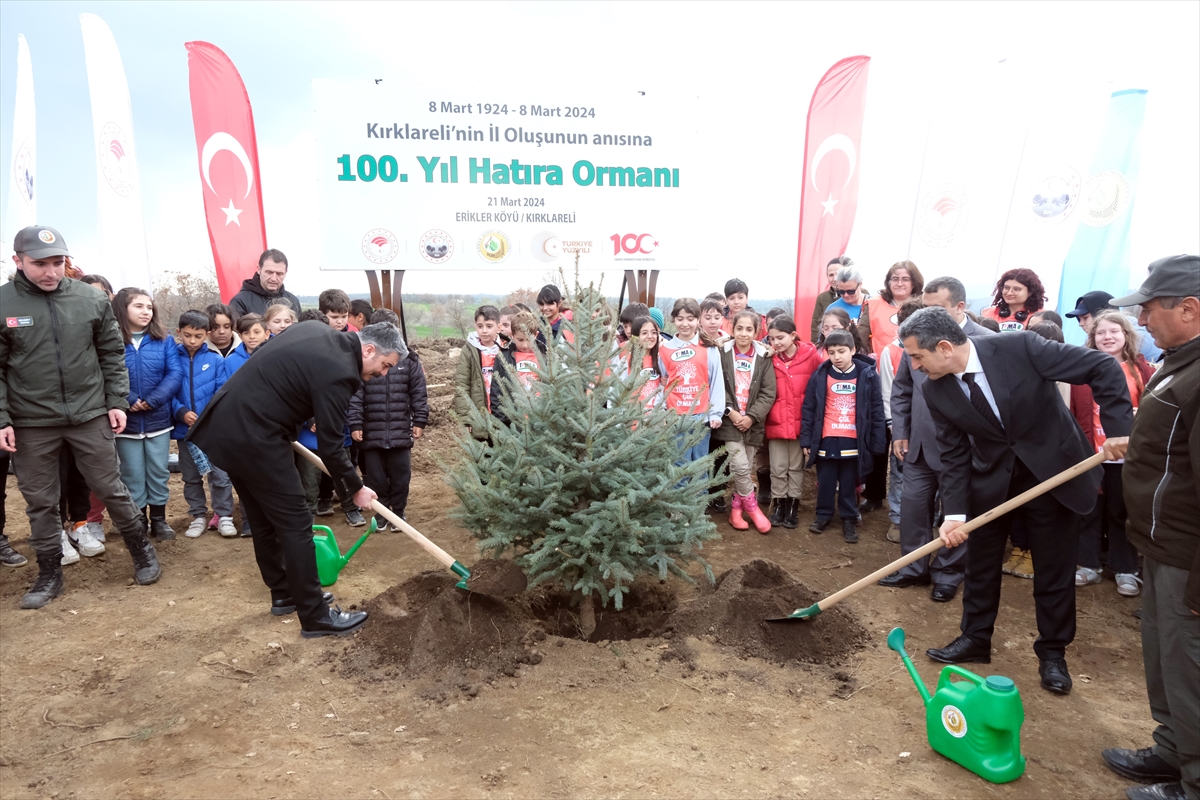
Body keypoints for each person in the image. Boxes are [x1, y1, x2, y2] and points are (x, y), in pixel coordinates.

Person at [900, 305, 1132, 695]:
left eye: (917, 356)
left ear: (943, 347)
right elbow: (954, 455)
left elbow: (1101, 369)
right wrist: (955, 514)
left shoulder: (1019, 347)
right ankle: (975, 638)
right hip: (992, 482)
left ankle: (1052, 653)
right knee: (981, 564)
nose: (915, 365)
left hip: (1054, 473)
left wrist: (1120, 430)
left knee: (1053, 569)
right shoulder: (936, 390)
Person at [188, 320, 403, 637]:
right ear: (368, 349)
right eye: (384, 366)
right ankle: (316, 616)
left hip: (227, 426)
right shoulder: (341, 371)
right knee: (296, 523)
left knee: (263, 520)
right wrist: (356, 488)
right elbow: (331, 446)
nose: (382, 374)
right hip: (256, 436)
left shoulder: (316, 330)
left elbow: (278, 375)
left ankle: (285, 592)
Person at [1, 225, 160, 608]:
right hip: (31, 421)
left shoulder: (90, 299)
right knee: (40, 501)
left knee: (110, 487)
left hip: (90, 414)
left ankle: (141, 551)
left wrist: (116, 401)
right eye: (40, 264)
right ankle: (49, 572)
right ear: (18, 261)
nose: (51, 272)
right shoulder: (4, 304)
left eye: (58, 262)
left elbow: (111, 354)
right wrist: (3, 418)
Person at [1099, 255, 1199, 800]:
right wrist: (1134, 440)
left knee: (1191, 670)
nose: (1144, 319)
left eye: (1150, 308)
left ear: (1190, 308)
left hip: (1189, 557)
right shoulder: (1179, 363)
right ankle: (1170, 750)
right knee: (1164, 659)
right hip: (1160, 545)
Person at [883, 277, 990, 600]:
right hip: (919, 444)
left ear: (960, 307)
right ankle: (913, 567)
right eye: (925, 308)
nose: (927, 316)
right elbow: (902, 391)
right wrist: (900, 431)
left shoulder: (984, 342)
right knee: (914, 508)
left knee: (955, 514)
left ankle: (948, 573)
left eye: (937, 309)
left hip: (966, 449)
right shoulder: (915, 340)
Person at [1070, 311, 1154, 596]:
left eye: (1113, 331)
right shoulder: (1081, 370)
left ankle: (1125, 569)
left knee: (1121, 511)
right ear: (1092, 338)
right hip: (1090, 451)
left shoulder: (1143, 371)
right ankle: (1087, 564)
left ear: (1126, 335)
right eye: (1100, 333)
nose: (1107, 337)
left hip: (1127, 455)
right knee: (1089, 509)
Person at [112, 287, 185, 541]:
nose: (146, 311)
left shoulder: (163, 339)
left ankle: (159, 520)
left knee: (158, 471)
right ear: (123, 309)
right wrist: (128, 400)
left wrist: (152, 400)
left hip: (158, 419)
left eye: (149, 307)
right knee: (131, 473)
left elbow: (174, 374)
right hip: (126, 423)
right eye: (138, 306)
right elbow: (105, 373)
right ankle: (139, 521)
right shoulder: (110, 340)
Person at [801, 330, 885, 544]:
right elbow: (809, 408)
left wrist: (876, 443)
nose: (837, 356)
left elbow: (876, 409)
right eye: (832, 352)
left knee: (849, 482)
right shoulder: (820, 374)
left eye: (841, 351)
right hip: (827, 438)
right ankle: (823, 515)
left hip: (853, 439)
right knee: (826, 481)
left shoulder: (867, 375)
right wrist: (807, 440)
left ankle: (849, 518)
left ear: (853, 350)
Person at [349, 309, 428, 530]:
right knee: (375, 478)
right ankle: (382, 514)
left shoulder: (410, 361)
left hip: (400, 431)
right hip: (371, 431)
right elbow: (355, 395)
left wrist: (420, 420)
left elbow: (418, 393)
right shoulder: (363, 364)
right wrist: (355, 422)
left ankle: (399, 513)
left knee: (401, 476)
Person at [172, 310, 237, 539]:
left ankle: (225, 516)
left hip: (212, 430)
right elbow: (166, 389)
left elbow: (221, 392)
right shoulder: (172, 357)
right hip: (184, 431)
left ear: (206, 334)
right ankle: (198, 516)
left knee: (220, 474)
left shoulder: (215, 359)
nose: (192, 341)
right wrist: (180, 412)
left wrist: (206, 416)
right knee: (190, 476)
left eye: (198, 336)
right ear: (178, 332)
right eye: (187, 335)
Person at [715, 311, 777, 533]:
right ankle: (753, 509)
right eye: (739, 328)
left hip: (753, 422)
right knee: (740, 466)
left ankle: (735, 511)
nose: (743, 333)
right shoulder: (722, 352)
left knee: (747, 466)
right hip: (729, 420)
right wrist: (731, 412)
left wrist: (751, 417)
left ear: (756, 332)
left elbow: (768, 392)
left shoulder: (763, 356)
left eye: (749, 329)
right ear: (732, 328)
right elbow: (717, 385)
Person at [764, 315, 821, 529]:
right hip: (776, 422)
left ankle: (793, 504)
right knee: (777, 467)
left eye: (780, 338)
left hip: (800, 423)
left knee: (796, 467)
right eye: (771, 339)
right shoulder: (769, 359)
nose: (776, 343)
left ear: (793, 335)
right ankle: (778, 503)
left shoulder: (811, 357)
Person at [876, 299, 924, 543]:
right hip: (902, 424)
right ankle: (897, 518)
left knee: (930, 474)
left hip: (929, 426)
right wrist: (893, 425)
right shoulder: (891, 350)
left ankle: (928, 521)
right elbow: (888, 391)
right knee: (899, 472)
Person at [658, 298, 724, 465]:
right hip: (675, 417)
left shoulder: (709, 347)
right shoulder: (664, 350)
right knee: (680, 464)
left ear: (697, 320)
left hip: (702, 416)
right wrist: (662, 412)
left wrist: (716, 413)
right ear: (673, 320)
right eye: (680, 319)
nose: (685, 324)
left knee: (700, 464)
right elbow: (660, 382)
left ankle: (702, 493)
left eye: (690, 319)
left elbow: (717, 381)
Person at [453, 305, 503, 438]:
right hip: (479, 416)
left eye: (489, 326)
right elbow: (462, 385)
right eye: (480, 326)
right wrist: (466, 418)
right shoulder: (469, 350)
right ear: (475, 326)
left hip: (503, 416)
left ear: (499, 327)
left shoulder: (506, 348)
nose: (484, 331)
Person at [860, 261, 924, 362]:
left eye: (905, 279)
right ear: (888, 282)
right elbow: (861, 339)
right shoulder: (873, 304)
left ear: (914, 283)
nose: (899, 284)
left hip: (917, 368)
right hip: (881, 367)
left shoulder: (925, 305)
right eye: (895, 279)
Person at [490, 311, 546, 425]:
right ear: (512, 335)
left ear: (536, 335)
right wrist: (502, 423)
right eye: (520, 340)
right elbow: (497, 392)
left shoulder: (546, 357)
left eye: (529, 339)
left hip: (541, 420)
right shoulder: (503, 357)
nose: (525, 345)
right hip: (515, 422)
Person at [229, 248, 301, 317]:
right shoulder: (240, 301)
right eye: (269, 272)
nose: (274, 279)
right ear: (259, 269)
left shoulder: (293, 302)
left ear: (285, 273)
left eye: (279, 274)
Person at [981, 268, 1045, 331]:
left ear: (1030, 292)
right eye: (1006, 288)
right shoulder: (988, 314)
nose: (1009, 293)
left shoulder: (1042, 316)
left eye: (1016, 289)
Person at [810, 256, 853, 342]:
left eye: (838, 274)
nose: (835, 279)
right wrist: (816, 347)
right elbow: (816, 326)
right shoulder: (822, 298)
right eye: (831, 275)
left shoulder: (859, 294)